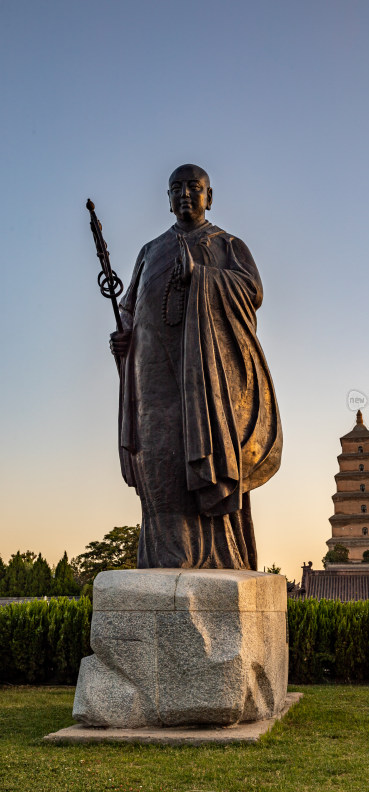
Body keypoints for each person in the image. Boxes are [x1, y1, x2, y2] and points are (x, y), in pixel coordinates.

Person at [110, 164, 282, 570]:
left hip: (204, 377)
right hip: (151, 374)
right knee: (157, 457)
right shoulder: (149, 252)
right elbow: (129, 307)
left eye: (194, 187)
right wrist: (124, 336)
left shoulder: (226, 244)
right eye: (176, 188)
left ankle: (215, 558)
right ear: (167, 199)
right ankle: (162, 559)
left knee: (204, 453)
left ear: (210, 196)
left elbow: (252, 291)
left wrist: (201, 276)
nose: (185, 194)